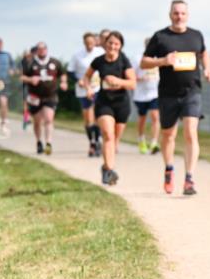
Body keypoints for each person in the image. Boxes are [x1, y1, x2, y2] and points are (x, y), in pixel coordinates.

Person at [140, 0, 210, 195]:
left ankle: (189, 178)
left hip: (192, 92)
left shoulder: (196, 35)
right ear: (170, 15)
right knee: (168, 135)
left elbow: (204, 53)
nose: (179, 16)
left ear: (187, 15)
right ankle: (169, 168)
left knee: (190, 132)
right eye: (175, 13)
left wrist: (208, 69)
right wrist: (163, 61)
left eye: (182, 13)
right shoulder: (160, 37)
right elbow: (144, 62)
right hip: (168, 94)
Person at [84, 31, 136, 185]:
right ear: (105, 44)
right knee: (108, 135)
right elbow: (86, 76)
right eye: (110, 43)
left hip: (122, 103)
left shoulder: (124, 60)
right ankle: (110, 170)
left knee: (115, 142)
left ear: (120, 46)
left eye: (116, 44)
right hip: (104, 102)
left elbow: (132, 83)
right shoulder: (99, 61)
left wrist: (118, 81)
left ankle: (106, 168)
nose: (112, 46)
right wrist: (88, 88)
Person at [22, 42, 68, 155]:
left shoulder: (54, 62)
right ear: (37, 50)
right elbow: (21, 77)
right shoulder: (30, 63)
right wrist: (30, 79)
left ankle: (48, 143)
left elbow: (62, 73)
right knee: (37, 121)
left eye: (43, 49)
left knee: (48, 119)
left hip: (50, 96)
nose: (42, 51)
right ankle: (39, 142)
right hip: (34, 96)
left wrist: (63, 82)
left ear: (46, 49)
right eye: (39, 49)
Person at [68, 32, 105, 157]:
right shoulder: (77, 55)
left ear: (95, 42)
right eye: (87, 43)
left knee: (97, 116)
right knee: (88, 118)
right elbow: (70, 71)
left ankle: (97, 141)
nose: (89, 45)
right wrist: (78, 80)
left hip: (98, 88)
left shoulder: (100, 52)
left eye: (91, 43)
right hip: (83, 89)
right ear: (84, 43)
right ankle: (92, 142)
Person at [134, 37, 161, 154]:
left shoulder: (159, 58)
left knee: (155, 116)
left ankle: (154, 142)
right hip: (141, 94)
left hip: (155, 93)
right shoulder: (137, 58)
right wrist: (141, 78)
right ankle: (141, 139)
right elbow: (131, 75)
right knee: (142, 118)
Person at [20, 47, 34, 130]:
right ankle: (26, 120)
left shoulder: (35, 62)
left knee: (32, 105)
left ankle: (29, 119)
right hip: (26, 86)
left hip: (34, 87)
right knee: (26, 104)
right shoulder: (24, 62)